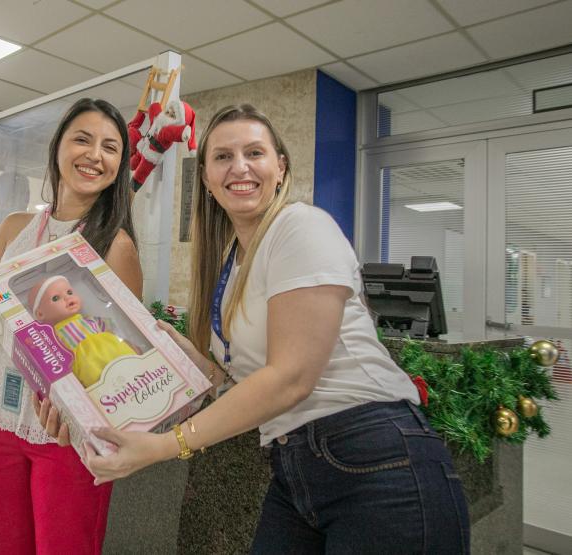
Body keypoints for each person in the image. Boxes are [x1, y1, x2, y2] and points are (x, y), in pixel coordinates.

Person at [42, 104, 471, 553]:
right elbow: (243, 386)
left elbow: (290, 378)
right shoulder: (232, 263)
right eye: (223, 157)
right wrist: (183, 357)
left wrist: (164, 446)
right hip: (295, 464)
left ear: (280, 167)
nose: (239, 167)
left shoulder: (301, 227)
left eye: (254, 153)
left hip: (375, 455)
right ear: (205, 178)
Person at [0, 98, 142, 555]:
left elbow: (125, 358)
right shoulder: (15, 226)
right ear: (57, 146)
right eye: (82, 139)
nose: (94, 155)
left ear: (119, 165)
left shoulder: (115, 246)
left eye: (110, 147)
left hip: (67, 431)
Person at [29, 275, 136, 387]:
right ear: (40, 314)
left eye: (69, 292)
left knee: (131, 365)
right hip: (86, 362)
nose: (67, 298)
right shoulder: (52, 336)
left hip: (113, 348)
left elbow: (113, 332)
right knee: (102, 383)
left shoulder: (90, 320)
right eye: (56, 298)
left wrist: (129, 344)